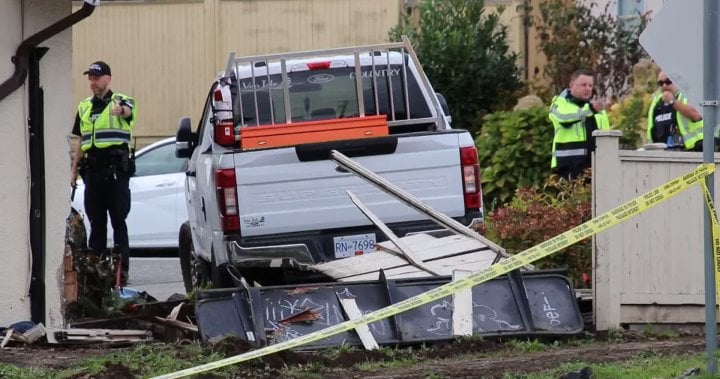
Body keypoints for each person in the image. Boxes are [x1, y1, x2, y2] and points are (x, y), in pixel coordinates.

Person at [70, 61, 136, 286]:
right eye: (90, 78)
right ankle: (95, 273)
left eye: (96, 78)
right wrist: (73, 171)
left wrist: (122, 110)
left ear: (108, 78)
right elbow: (80, 140)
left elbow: (128, 111)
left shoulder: (120, 100)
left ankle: (121, 273)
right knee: (96, 223)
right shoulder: (84, 107)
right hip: (93, 172)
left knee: (118, 221)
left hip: (116, 171)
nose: (92, 82)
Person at [548, 69, 610, 180]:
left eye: (590, 85)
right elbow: (564, 119)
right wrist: (591, 110)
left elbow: (607, 135)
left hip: (596, 166)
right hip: (567, 166)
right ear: (572, 85)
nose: (588, 89)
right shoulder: (559, 103)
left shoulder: (597, 109)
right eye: (583, 85)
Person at [647, 71, 703, 151]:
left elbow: (696, 115)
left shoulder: (686, 95)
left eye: (668, 81)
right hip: (661, 153)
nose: (664, 85)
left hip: (691, 151)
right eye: (661, 83)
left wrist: (672, 101)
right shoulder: (656, 102)